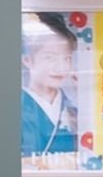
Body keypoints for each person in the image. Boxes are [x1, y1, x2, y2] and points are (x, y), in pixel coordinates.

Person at [21, 13, 78, 161]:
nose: (61, 67)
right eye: (50, 57)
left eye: (67, 58)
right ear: (27, 60)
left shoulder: (74, 110)